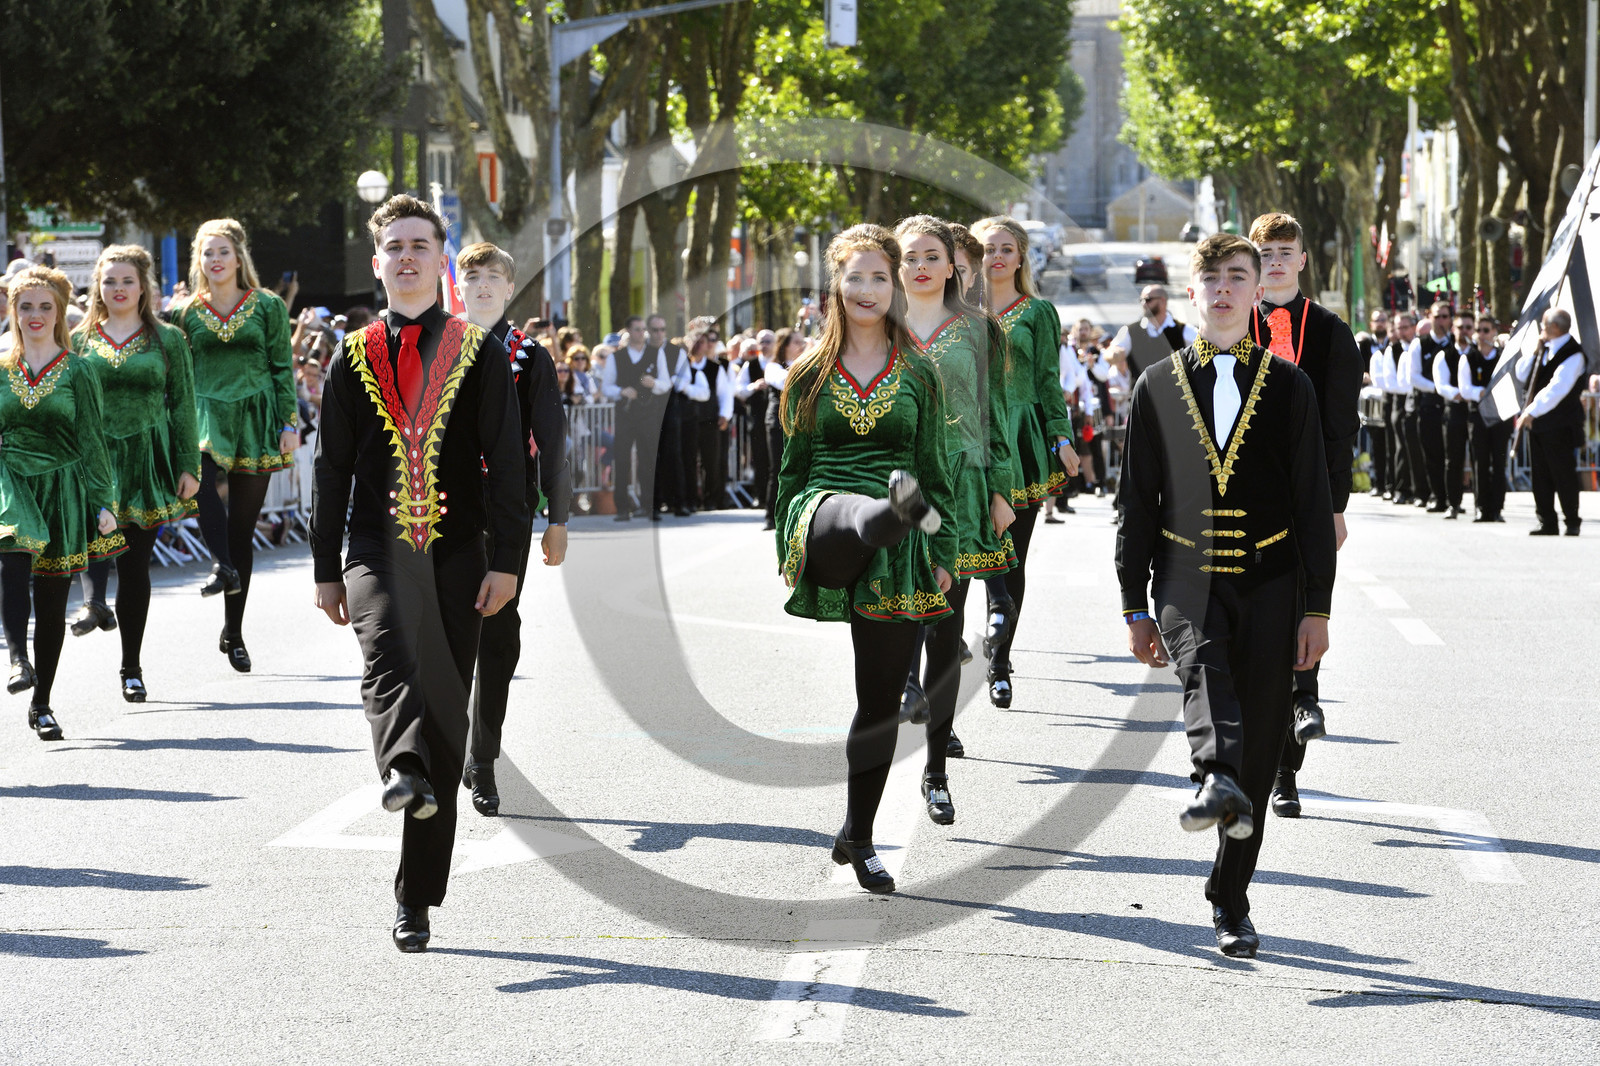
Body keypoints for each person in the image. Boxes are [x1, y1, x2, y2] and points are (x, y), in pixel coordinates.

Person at [311, 195, 527, 953]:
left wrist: (509, 564)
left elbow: (506, 463)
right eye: (393, 246)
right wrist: (325, 569)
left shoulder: (480, 349)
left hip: (461, 551)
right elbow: (331, 467)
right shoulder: (353, 351)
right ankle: (399, 765)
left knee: (446, 716)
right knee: (387, 658)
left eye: (419, 245)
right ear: (378, 264)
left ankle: (417, 897)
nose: (406, 256)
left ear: (442, 259)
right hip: (374, 548)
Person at [1117, 234, 1335, 958]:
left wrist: (1317, 609)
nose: (1222, 290)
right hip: (1184, 576)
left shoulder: (1290, 386)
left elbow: (1311, 503)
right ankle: (1212, 775)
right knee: (1205, 675)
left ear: (1256, 293)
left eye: (1236, 278)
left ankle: (1230, 900)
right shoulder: (1156, 384)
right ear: (1191, 294)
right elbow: (1136, 504)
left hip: (1273, 582)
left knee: (1266, 733)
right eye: (1209, 279)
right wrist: (1133, 604)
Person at [774, 224, 956, 894]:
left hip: (903, 547)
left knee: (878, 701)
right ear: (836, 284)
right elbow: (790, 475)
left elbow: (936, 469)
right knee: (853, 513)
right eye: (856, 277)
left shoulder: (920, 374)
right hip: (823, 514)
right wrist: (783, 544)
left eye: (881, 277)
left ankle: (858, 833)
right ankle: (888, 510)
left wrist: (944, 548)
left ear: (897, 285)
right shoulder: (806, 373)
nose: (868, 289)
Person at [893, 215, 1016, 815]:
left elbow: (993, 414)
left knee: (945, 627)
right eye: (909, 255)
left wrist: (1001, 489)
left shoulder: (977, 329)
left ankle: (936, 768)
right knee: (890, 623)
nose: (920, 265)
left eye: (931, 256)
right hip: (891, 494)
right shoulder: (873, 326)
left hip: (961, 493)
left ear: (952, 267)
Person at [1245, 213, 1360, 819]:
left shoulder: (1333, 332)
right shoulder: (1234, 321)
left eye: (1285, 252)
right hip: (1241, 495)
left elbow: (1343, 426)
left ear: (1303, 260)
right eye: (1265, 252)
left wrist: (1336, 504)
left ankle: (1291, 758)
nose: (1276, 262)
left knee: (1301, 612)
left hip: (1308, 496)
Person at [453, 242, 572, 817]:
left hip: (507, 510)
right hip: (441, 510)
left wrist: (559, 519)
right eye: (471, 276)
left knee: (497, 631)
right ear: (457, 285)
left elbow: (554, 439)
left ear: (508, 289)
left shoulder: (529, 356)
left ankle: (484, 759)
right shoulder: (436, 345)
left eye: (492, 277)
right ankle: (443, 744)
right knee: (444, 629)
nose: (480, 285)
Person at [67, 247, 201, 702]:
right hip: (93, 458)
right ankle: (93, 602)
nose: (117, 289)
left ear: (143, 286)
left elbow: (184, 405)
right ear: (97, 288)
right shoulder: (79, 340)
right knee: (93, 540)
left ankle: (131, 666)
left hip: (147, 460)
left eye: (126, 280)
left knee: (135, 565)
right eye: (109, 281)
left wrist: (189, 464)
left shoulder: (169, 339)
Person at [0, 266, 125, 740]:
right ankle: (17, 659)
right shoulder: (0, 369)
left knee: (51, 603)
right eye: (25, 306)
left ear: (58, 313)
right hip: (11, 482)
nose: (34, 315)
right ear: (13, 310)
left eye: (44, 307)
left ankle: (42, 702)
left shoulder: (79, 370)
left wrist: (104, 502)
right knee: (12, 562)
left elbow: (93, 441)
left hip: (63, 488)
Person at [175, 219, 298, 672]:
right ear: (199, 260)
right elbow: (177, 374)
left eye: (223, 251)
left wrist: (289, 422)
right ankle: (221, 564)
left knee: (242, 529)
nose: (216, 260)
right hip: (205, 413)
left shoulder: (267, 305)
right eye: (208, 253)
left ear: (239, 255)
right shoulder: (184, 312)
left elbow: (282, 367)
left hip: (256, 415)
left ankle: (234, 630)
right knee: (203, 482)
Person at [971, 216, 1078, 709]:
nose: (995, 257)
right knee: (956, 551)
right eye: (986, 248)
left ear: (1020, 257)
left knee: (1011, 553)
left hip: (1021, 443)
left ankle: (999, 660)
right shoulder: (953, 312)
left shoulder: (1038, 312)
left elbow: (1047, 382)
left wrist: (1061, 438)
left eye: (1005, 249)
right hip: (966, 442)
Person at [1515, 308, 1586, 536]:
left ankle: (1572, 520)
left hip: (1560, 423)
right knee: (1540, 474)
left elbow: (1557, 389)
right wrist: (1534, 351)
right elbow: (1522, 374)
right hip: (1539, 423)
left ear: (1555, 328)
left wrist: (1531, 411)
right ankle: (1546, 520)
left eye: (1544, 326)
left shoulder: (1573, 354)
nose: (1541, 330)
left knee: (1562, 473)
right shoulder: (1543, 349)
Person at [600, 315, 673, 521]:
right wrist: (622, 391)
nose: (642, 333)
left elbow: (665, 383)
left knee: (648, 458)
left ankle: (650, 505)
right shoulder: (617, 357)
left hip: (648, 413)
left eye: (644, 329)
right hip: (625, 414)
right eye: (638, 329)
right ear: (629, 332)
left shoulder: (656, 353)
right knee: (622, 459)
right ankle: (622, 508)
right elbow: (606, 387)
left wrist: (654, 383)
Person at [1400, 302, 1453, 513]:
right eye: (1437, 316)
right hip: (1429, 406)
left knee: (1452, 455)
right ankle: (1436, 495)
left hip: (1451, 406)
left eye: (1445, 316)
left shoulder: (1454, 344)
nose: (1441, 321)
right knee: (1431, 454)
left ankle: (1452, 497)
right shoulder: (1419, 344)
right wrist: (1439, 388)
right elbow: (1413, 377)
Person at [674, 322, 734, 511]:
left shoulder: (716, 368)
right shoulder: (681, 367)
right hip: (686, 420)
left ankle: (710, 500)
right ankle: (691, 499)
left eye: (703, 342)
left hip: (710, 420)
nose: (699, 345)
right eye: (696, 341)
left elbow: (725, 393)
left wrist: (724, 415)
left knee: (711, 462)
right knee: (689, 460)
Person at [1459, 313, 1510, 523]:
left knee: (1499, 462)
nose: (1481, 335)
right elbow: (1464, 388)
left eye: (1486, 330)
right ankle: (1481, 507)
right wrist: (1481, 392)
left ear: (1494, 332)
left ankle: (1497, 508)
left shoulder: (1503, 357)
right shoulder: (1468, 357)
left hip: (1499, 416)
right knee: (1480, 462)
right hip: (1477, 415)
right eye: (1478, 330)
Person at [1106, 285, 1197, 384]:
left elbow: (1204, 348)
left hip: (1175, 397)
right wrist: (1114, 354)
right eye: (1141, 300)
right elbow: (1110, 352)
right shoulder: (1130, 331)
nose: (1143, 304)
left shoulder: (1183, 330)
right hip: (1141, 396)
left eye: (1148, 300)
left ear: (1163, 301)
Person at [762, 328, 805, 531]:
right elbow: (785, 382)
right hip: (777, 422)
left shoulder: (804, 365)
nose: (802, 346)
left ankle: (794, 512)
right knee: (777, 468)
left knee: (797, 467)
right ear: (786, 345)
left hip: (797, 423)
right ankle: (771, 515)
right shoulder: (773, 367)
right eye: (797, 342)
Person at [1432, 314, 1474, 518]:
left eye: (1469, 327)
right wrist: (1460, 395)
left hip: (1476, 411)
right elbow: (1441, 384)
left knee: (1480, 459)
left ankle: (1483, 506)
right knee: (1453, 459)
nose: (1465, 331)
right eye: (1461, 327)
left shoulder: (1480, 353)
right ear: (1453, 330)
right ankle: (1453, 503)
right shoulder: (1444, 354)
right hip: (1455, 410)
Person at [1385, 313, 1419, 505]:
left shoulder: (1418, 346)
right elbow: (1391, 382)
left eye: (1406, 327)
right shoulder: (1393, 350)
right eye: (1399, 328)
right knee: (1401, 447)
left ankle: (1418, 488)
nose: (1403, 331)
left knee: (1416, 447)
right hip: (1400, 400)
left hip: (1416, 401)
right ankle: (1401, 488)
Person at [1357, 309, 1391, 498]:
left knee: (1390, 444)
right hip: (1369, 399)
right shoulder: (1364, 343)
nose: (1380, 324)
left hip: (1389, 396)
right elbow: (1356, 366)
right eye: (1376, 320)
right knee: (1374, 443)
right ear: (1371, 324)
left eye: (1383, 320)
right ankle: (1378, 482)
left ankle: (1389, 482)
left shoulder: (1392, 343)